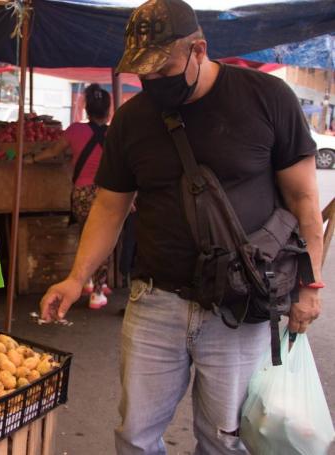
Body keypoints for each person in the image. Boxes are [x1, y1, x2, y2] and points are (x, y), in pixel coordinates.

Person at [39, 0, 324, 453]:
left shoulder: (267, 98)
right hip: (155, 301)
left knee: (224, 441)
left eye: (162, 69)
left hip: (239, 305)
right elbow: (110, 207)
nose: (152, 80)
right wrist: (77, 278)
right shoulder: (131, 119)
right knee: (135, 437)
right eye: (143, 72)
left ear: (198, 50)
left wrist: (309, 286)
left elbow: (304, 200)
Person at [64, 84, 113, 309]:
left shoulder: (74, 130)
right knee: (104, 243)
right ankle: (98, 293)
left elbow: (54, 150)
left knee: (86, 237)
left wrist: (32, 159)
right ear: (108, 110)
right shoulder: (115, 134)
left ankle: (87, 281)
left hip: (81, 195)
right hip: (106, 195)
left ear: (87, 109)